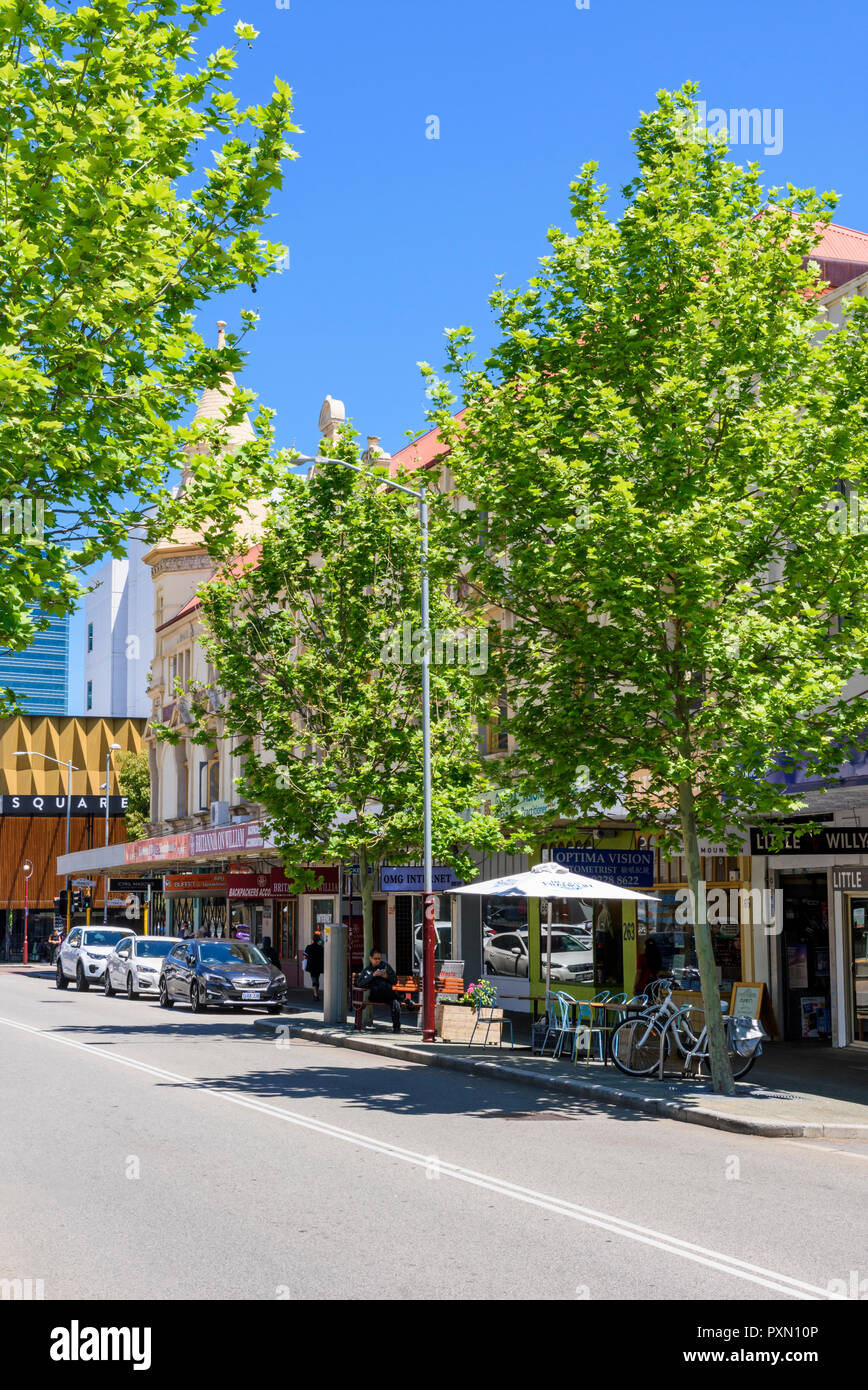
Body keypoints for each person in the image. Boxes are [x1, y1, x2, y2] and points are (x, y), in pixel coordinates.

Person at [357, 949, 401, 1033]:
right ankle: (403, 999)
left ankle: (397, 1027)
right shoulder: (368, 970)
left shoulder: (385, 966)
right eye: (375, 958)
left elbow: (395, 980)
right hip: (375, 995)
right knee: (389, 992)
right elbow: (360, 983)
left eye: (379, 958)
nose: (377, 960)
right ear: (370, 958)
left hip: (387, 995)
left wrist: (386, 976)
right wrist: (372, 975)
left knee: (395, 1002)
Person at [305, 931, 324, 1000]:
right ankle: (316, 993)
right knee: (317, 978)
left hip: (311, 965)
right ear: (318, 940)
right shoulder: (321, 948)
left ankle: (315, 994)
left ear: (312, 939)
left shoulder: (309, 947)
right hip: (318, 965)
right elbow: (323, 956)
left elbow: (305, 956)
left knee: (313, 979)